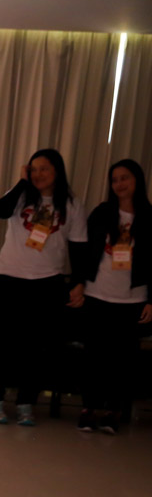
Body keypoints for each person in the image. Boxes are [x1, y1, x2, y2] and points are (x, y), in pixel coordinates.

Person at [0, 148, 87, 426]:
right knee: (3, 344)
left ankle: (26, 402)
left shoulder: (72, 204)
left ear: (57, 172)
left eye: (44, 169)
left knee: (37, 348)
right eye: (34, 169)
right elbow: (0, 211)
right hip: (9, 278)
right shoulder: (20, 195)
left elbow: (78, 247)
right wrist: (22, 182)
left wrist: (79, 282)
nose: (38, 174)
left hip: (48, 282)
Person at [79, 160, 151, 433]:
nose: (119, 184)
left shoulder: (149, 216)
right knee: (94, 356)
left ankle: (113, 411)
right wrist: (79, 283)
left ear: (137, 180)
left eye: (125, 178)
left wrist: (151, 300)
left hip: (132, 299)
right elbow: (85, 250)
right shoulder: (102, 213)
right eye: (115, 179)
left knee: (122, 360)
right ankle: (88, 408)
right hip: (97, 294)